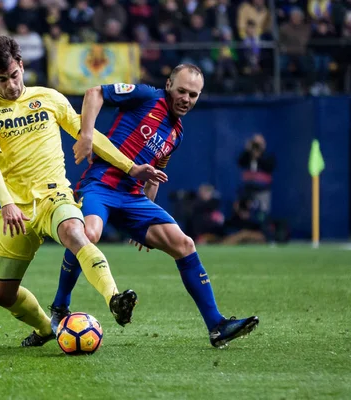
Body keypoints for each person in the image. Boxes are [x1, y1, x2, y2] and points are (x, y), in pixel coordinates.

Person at [49, 64, 260, 348]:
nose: (186, 98)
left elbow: (155, 176)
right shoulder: (147, 95)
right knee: (89, 234)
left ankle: (217, 325)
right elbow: (94, 93)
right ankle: (60, 306)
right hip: (101, 185)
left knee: (184, 244)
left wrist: (143, 226)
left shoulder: (177, 134)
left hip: (134, 199)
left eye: (194, 95)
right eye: (182, 90)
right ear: (169, 84)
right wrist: (87, 135)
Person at [0, 36, 161, 347]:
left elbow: (89, 134)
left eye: (14, 75)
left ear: (22, 66)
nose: (10, 85)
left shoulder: (48, 98)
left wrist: (131, 167)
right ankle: (47, 328)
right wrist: (6, 203)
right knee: (1, 295)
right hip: (16, 209)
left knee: (76, 233)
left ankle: (114, 298)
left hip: (53, 195)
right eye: (2, 79)